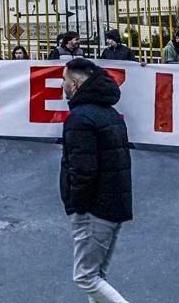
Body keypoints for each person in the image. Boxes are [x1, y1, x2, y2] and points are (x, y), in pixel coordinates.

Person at [60, 58, 132, 303]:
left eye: (65, 80)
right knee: (97, 275)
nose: (63, 85)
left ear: (76, 84)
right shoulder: (109, 114)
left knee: (85, 277)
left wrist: (77, 205)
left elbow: (82, 170)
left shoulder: (80, 119)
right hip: (113, 205)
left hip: (94, 209)